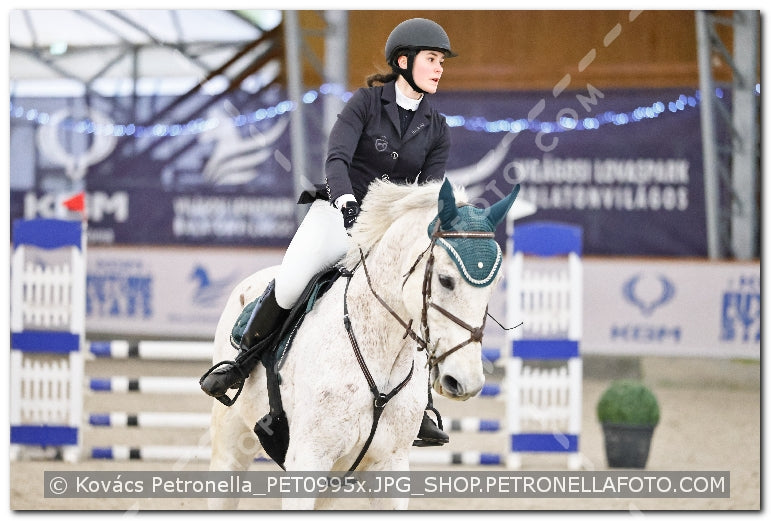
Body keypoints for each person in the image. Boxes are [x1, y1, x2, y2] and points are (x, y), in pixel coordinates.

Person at [200, 17, 457, 446]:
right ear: (404, 61)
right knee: (290, 282)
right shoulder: (365, 103)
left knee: (416, 298)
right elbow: (336, 159)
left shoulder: (438, 127)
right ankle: (240, 364)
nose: (439, 68)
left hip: (386, 234)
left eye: (441, 62)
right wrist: (345, 201)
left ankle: (422, 403)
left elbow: (426, 193)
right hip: (339, 214)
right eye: (432, 59)